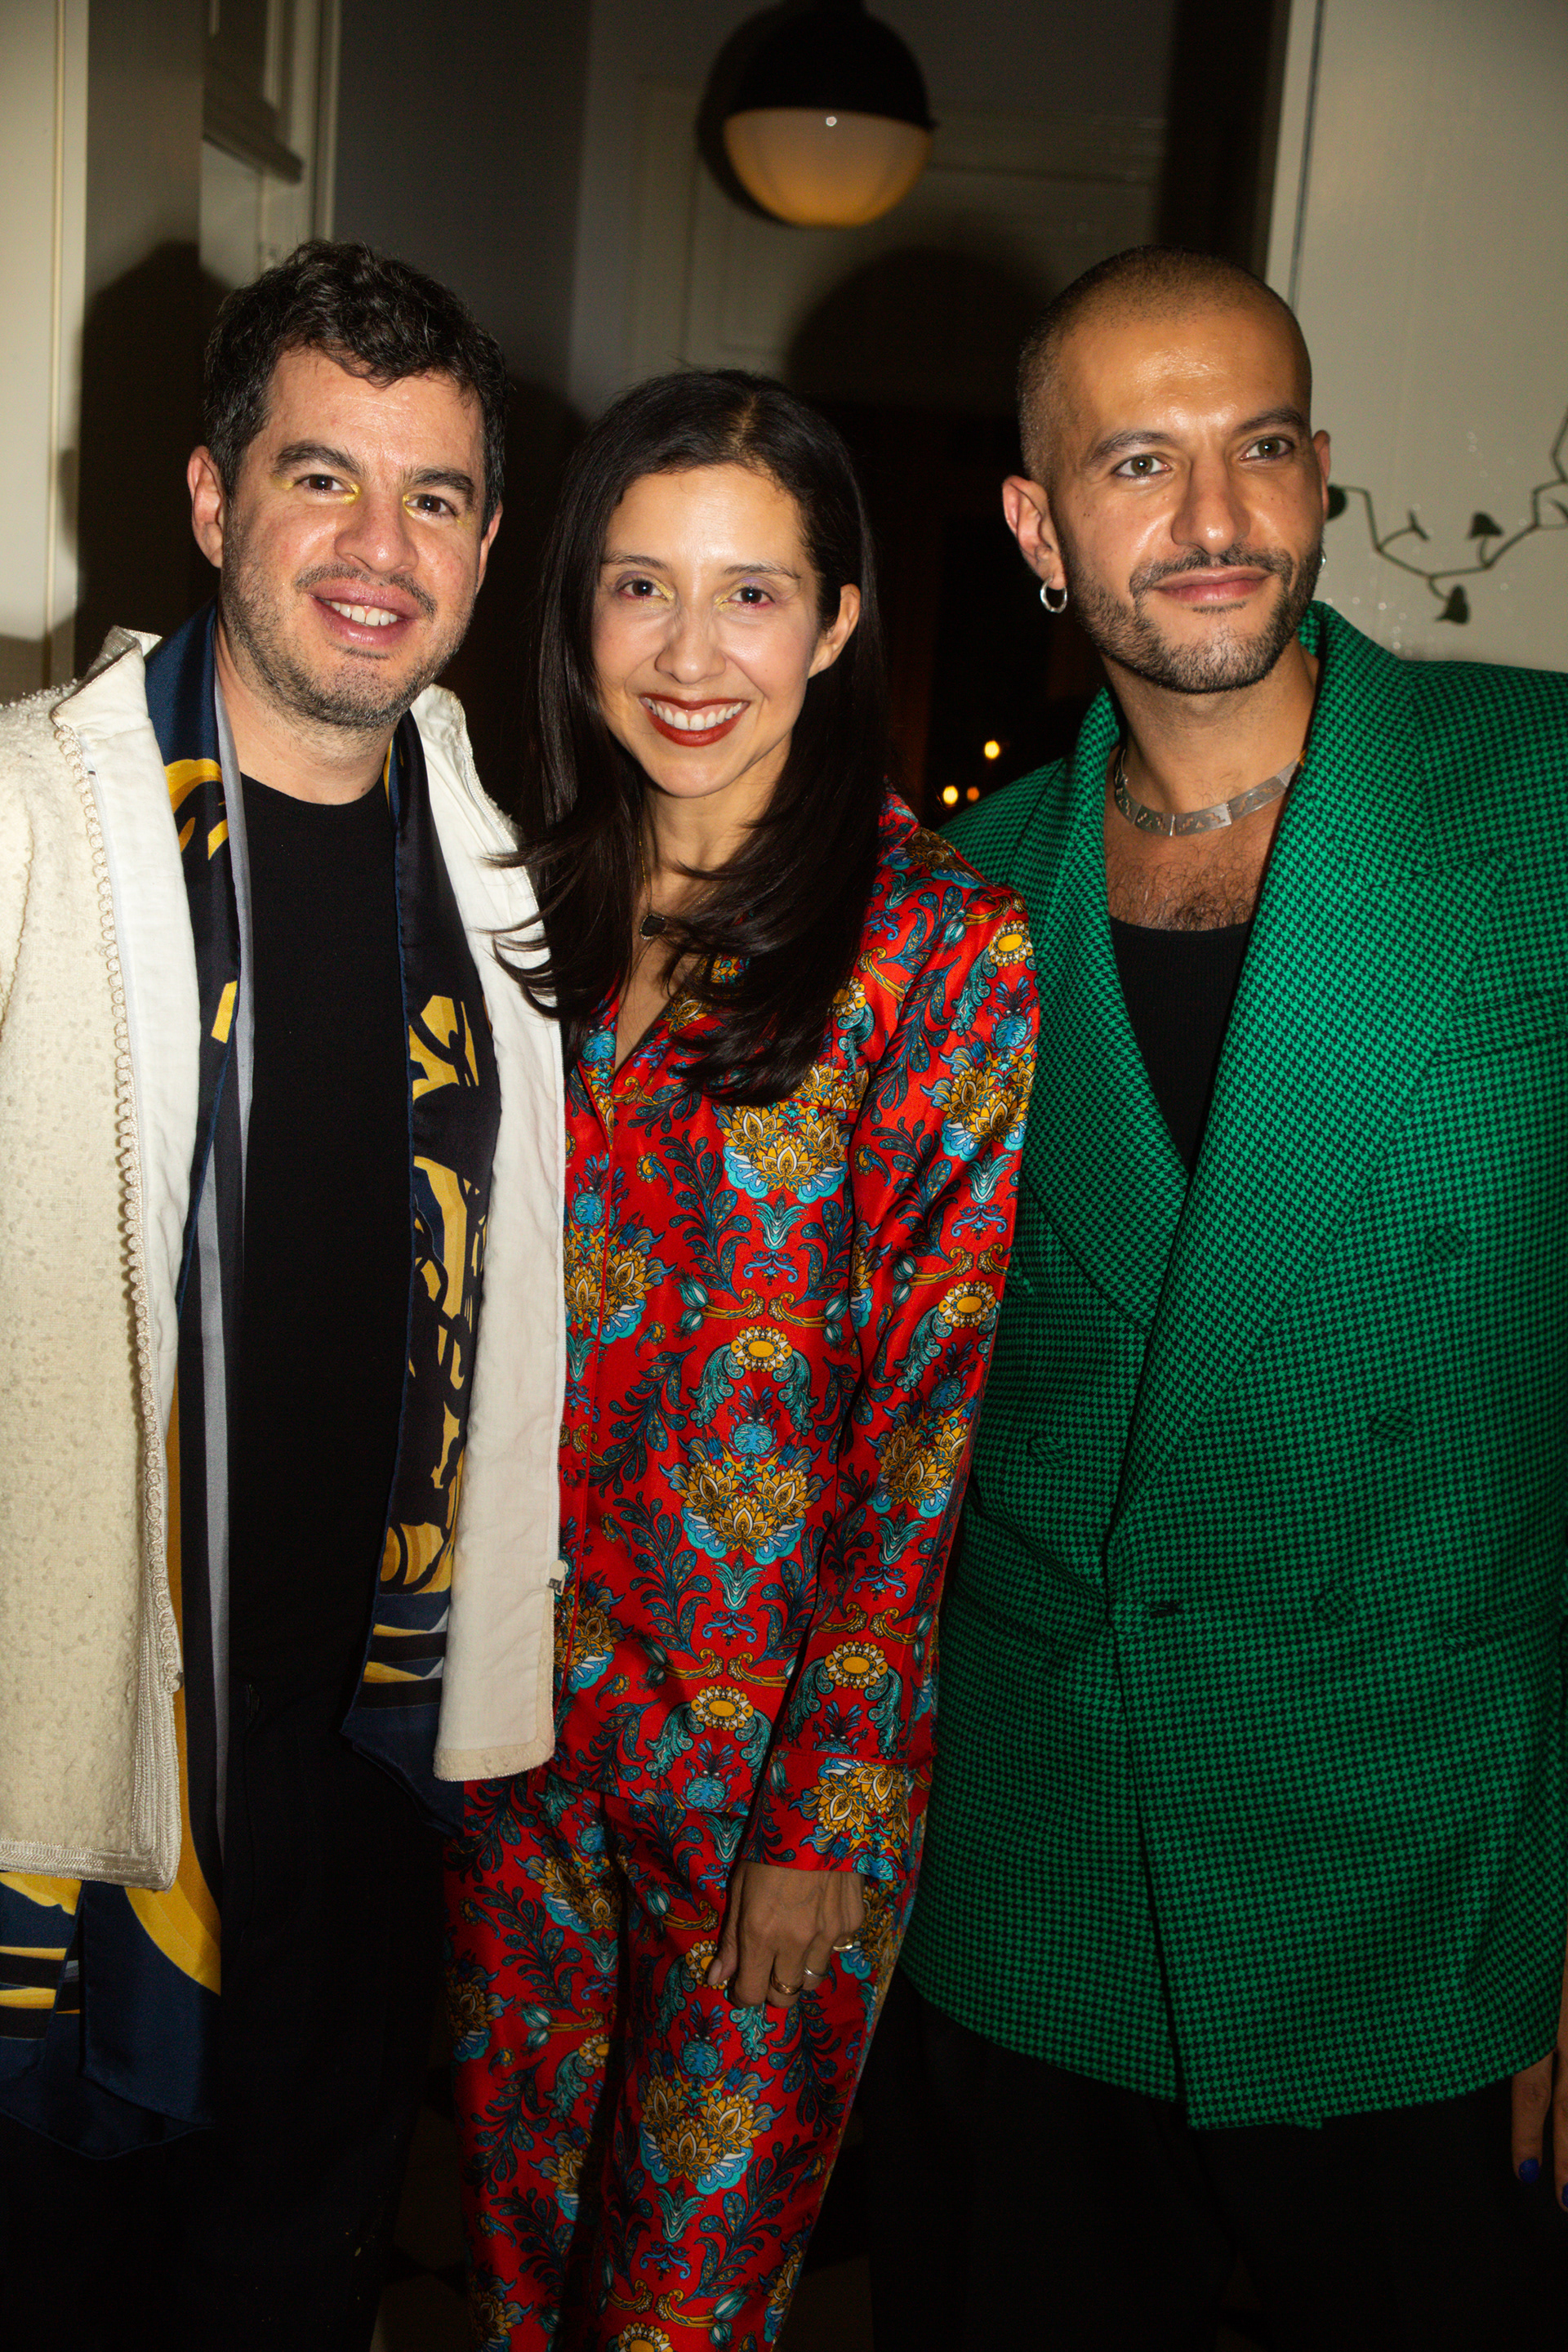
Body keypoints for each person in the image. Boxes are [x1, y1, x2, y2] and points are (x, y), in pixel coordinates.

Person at [861, 243, 1568, 2350]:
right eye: (1137, 463)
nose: (1213, 516)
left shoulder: (1537, 798)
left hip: (1428, 1886)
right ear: (1038, 523)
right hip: (1041, 1884)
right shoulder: (949, 899)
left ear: (1321, 471)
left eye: (1259, 447)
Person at [0, 242, 565, 2350]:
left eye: (434, 496)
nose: (377, 547)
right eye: (321, 477)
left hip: (357, 1771)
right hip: (63, 1774)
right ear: (211, 498)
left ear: (487, 544)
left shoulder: (505, 879)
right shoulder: (25, 827)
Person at [444, 369, 1037, 2348]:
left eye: (752, 594)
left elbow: (926, 1422)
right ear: (576, 607)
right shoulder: (510, 900)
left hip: (762, 1768)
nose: (690, 656)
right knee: (515, 2273)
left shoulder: (942, 947)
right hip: (510, 1729)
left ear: (839, 618)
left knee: (676, 2314)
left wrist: (821, 1815)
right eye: (640, 587)